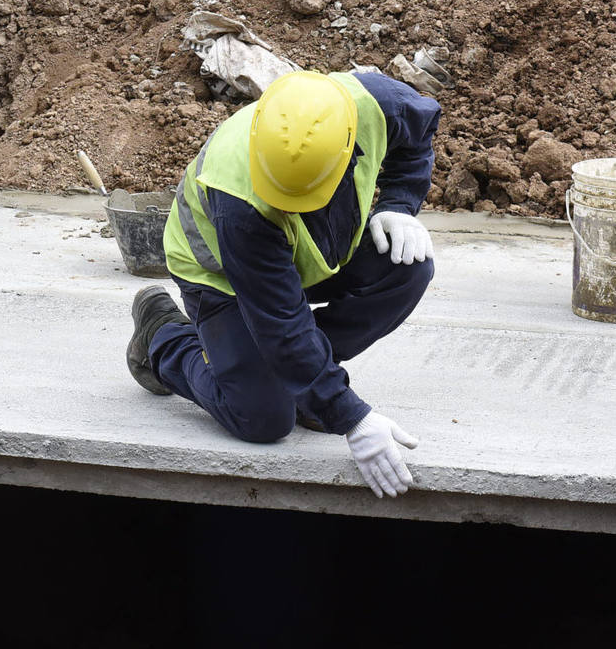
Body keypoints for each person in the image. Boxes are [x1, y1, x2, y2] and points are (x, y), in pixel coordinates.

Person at [125, 69, 441, 499]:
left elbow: (420, 133)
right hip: (222, 276)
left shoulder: (378, 103)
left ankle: (309, 382)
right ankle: (163, 336)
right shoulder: (240, 204)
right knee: (262, 418)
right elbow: (280, 321)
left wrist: (400, 204)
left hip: (320, 250)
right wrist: (350, 416)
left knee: (408, 266)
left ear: (347, 150)